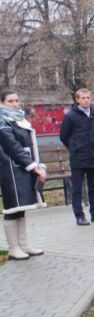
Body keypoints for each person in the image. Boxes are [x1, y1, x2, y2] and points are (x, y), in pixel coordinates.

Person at [0, 90, 46, 259]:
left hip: (22, 167)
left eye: (17, 100)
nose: (15, 103)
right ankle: (13, 248)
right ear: (2, 103)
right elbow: (12, 147)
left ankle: (24, 244)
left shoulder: (18, 118)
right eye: (10, 101)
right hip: (10, 169)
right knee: (12, 208)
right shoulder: (2, 120)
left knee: (22, 208)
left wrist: (36, 164)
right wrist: (33, 166)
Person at [58, 88, 94, 225]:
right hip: (78, 157)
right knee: (77, 188)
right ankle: (79, 215)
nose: (86, 100)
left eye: (88, 97)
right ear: (77, 100)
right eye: (83, 98)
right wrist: (74, 147)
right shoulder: (70, 116)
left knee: (93, 186)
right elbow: (63, 136)